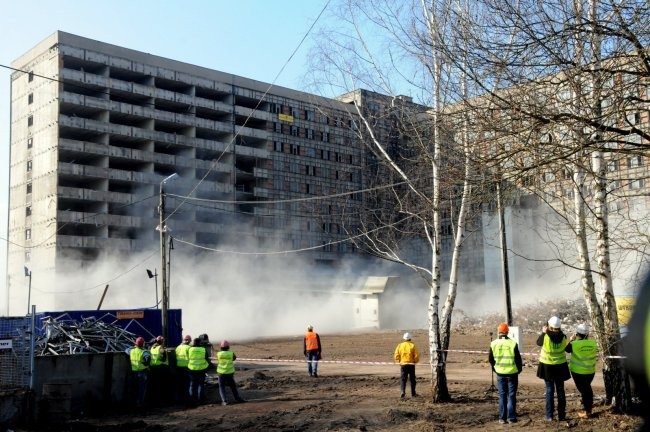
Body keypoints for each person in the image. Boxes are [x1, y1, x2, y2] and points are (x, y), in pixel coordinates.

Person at [536, 315, 571, 422]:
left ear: (549, 326)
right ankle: (561, 416)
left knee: (550, 390)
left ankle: (549, 415)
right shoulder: (564, 337)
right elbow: (567, 348)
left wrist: (543, 331)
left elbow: (538, 343)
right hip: (560, 366)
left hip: (547, 367)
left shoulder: (545, 336)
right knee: (560, 391)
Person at [488, 323, 523, 424]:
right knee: (511, 396)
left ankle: (502, 418)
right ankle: (511, 418)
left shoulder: (493, 343)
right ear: (507, 332)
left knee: (502, 396)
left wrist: (495, 368)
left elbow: (490, 359)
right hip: (512, 373)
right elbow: (518, 360)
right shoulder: (513, 343)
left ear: (498, 332)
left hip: (500, 373)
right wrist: (518, 370)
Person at [566, 324, 598, 419]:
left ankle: (588, 411)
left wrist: (572, 339)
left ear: (577, 334)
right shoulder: (593, 343)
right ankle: (587, 408)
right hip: (590, 371)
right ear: (587, 334)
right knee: (586, 389)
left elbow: (566, 349)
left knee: (585, 391)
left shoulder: (574, 344)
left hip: (578, 372)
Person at [216, 340, 246, 405]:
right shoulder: (231, 353)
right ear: (228, 347)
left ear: (221, 347)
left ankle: (224, 401)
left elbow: (218, 359)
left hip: (221, 372)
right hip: (229, 372)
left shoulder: (218, 354)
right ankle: (237, 398)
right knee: (233, 386)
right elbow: (234, 358)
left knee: (221, 387)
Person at [125, 336, 151, 408]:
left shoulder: (132, 351)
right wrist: (146, 363)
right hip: (142, 372)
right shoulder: (144, 352)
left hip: (134, 373)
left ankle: (134, 403)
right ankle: (140, 404)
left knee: (135, 389)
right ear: (143, 344)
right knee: (142, 389)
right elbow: (147, 358)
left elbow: (127, 350)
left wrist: (134, 346)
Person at [394, 332, 420, 398]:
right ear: (410, 338)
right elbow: (416, 355)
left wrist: (399, 362)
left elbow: (396, 355)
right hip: (411, 364)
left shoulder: (400, 345)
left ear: (404, 338)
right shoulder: (413, 345)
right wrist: (415, 361)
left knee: (403, 379)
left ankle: (402, 392)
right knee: (412, 379)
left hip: (403, 364)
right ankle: (413, 393)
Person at [187, 336, 212, 406]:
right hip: (201, 369)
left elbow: (188, 357)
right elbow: (207, 359)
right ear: (200, 342)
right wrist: (206, 367)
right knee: (201, 385)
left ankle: (192, 400)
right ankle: (200, 400)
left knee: (192, 385)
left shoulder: (190, 349)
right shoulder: (203, 349)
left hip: (192, 369)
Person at [149, 335, 169, 405]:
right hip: (160, 368)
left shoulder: (152, 348)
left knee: (155, 385)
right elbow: (163, 358)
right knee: (161, 385)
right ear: (162, 341)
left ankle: (154, 401)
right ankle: (161, 401)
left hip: (153, 368)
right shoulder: (160, 348)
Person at [175, 334, 192, 404]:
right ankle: (187, 398)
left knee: (180, 383)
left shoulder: (178, 347)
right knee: (187, 384)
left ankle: (179, 398)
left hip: (179, 367)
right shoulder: (189, 348)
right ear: (188, 340)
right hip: (186, 367)